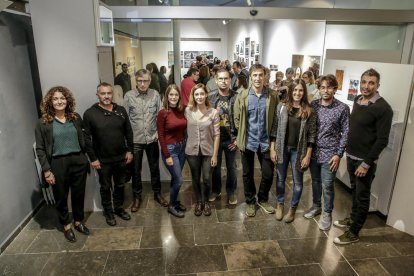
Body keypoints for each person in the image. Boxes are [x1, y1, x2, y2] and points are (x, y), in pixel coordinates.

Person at [334, 68, 393, 245]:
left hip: (363, 161)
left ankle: (354, 232)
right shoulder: (359, 100)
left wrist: (366, 163)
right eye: (364, 82)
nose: (366, 86)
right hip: (351, 156)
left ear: (378, 85)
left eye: (371, 83)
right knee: (355, 191)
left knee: (362, 196)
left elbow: (382, 140)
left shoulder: (384, 108)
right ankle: (352, 219)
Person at [35, 86, 90, 242]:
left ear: (68, 100)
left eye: (62, 98)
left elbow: (85, 139)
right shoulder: (43, 123)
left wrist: (86, 157)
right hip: (58, 163)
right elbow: (40, 149)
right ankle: (66, 225)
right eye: (55, 98)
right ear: (50, 102)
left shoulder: (76, 117)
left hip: (78, 161)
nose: (59, 101)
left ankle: (78, 222)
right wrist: (47, 170)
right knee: (61, 196)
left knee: (79, 194)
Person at [83, 82, 134, 226]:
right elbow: (86, 138)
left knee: (120, 185)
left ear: (112, 94)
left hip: (121, 157)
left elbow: (128, 132)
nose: (106, 96)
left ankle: (118, 208)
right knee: (105, 187)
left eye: (109, 93)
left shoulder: (121, 110)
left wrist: (129, 150)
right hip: (102, 160)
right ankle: (108, 212)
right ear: (97, 95)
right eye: (103, 93)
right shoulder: (90, 114)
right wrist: (93, 158)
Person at [304, 75, 350, 231]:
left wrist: (338, 154)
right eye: (322, 87)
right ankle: (316, 206)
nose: (326, 90)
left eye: (329, 87)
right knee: (315, 182)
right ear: (319, 88)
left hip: (331, 154)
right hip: (313, 151)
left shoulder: (342, 108)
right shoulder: (314, 105)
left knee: (328, 185)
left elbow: (346, 132)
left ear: (335, 89)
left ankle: (327, 213)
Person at [233, 63, 279, 217]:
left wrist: (273, 143)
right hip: (248, 141)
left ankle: (263, 198)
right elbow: (237, 118)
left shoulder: (272, 96)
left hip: (266, 142)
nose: (258, 78)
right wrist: (241, 136)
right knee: (247, 174)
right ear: (250, 77)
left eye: (261, 75)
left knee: (267, 173)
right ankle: (250, 201)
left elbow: (275, 120)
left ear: (265, 76)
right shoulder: (243, 96)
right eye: (255, 75)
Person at [270, 79, 316, 223]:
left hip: (299, 151)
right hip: (282, 148)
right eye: (295, 90)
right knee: (280, 179)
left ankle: (293, 209)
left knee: (298, 182)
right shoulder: (282, 107)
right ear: (290, 91)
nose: (297, 93)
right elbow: (275, 129)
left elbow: (312, 135)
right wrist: (272, 148)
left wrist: (308, 155)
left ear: (304, 92)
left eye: (300, 90)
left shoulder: (309, 111)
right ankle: (280, 204)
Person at [124, 69, 168, 213]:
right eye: (140, 81)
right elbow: (125, 120)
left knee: (154, 168)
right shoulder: (129, 96)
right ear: (135, 81)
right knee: (136, 170)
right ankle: (137, 197)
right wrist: (127, 141)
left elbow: (160, 115)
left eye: (146, 81)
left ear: (150, 81)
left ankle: (157, 193)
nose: (143, 84)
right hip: (135, 140)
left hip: (152, 139)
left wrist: (157, 133)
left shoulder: (155, 94)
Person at [185, 83, 220, 216]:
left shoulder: (213, 113)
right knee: (195, 177)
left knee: (206, 178)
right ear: (193, 96)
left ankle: (206, 201)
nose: (199, 96)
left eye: (201, 93)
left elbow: (217, 135)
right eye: (196, 94)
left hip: (208, 151)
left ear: (206, 94)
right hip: (192, 152)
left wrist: (215, 155)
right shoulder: (188, 111)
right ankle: (199, 201)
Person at [156, 84, 188, 218]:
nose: (173, 97)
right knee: (179, 180)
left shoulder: (182, 110)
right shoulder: (163, 113)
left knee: (176, 178)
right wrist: (167, 155)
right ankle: (171, 206)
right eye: (171, 95)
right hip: (170, 150)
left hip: (182, 148)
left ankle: (174, 201)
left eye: (176, 95)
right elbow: (161, 135)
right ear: (166, 96)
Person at [208, 69, 238, 205]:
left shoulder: (236, 97)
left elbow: (242, 119)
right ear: (216, 80)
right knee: (215, 166)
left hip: (231, 139)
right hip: (215, 139)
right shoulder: (211, 97)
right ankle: (216, 190)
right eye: (221, 79)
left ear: (230, 80)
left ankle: (231, 191)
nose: (224, 81)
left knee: (232, 167)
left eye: (226, 78)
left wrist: (238, 139)